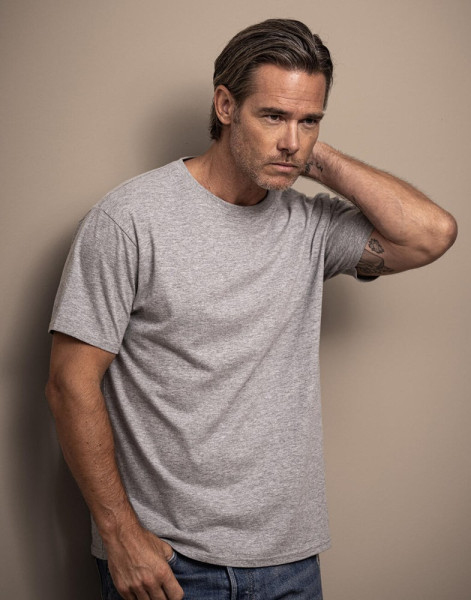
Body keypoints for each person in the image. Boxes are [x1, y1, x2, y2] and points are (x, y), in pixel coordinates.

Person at [46, 18, 457, 600]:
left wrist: (307, 155)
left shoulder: (309, 225)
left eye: (309, 120)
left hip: (290, 561)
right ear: (225, 106)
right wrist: (119, 535)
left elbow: (432, 234)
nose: (292, 139)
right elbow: (70, 383)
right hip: (169, 562)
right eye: (273, 116)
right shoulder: (130, 220)